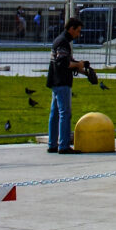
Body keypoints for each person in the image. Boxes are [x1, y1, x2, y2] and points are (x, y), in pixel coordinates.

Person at [46, 17, 86, 154]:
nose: (78, 34)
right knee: (65, 114)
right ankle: (63, 145)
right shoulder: (63, 42)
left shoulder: (60, 40)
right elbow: (64, 63)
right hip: (62, 82)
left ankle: (52, 144)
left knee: (55, 114)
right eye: (78, 31)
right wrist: (77, 65)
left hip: (55, 81)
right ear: (71, 29)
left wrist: (80, 66)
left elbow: (64, 60)